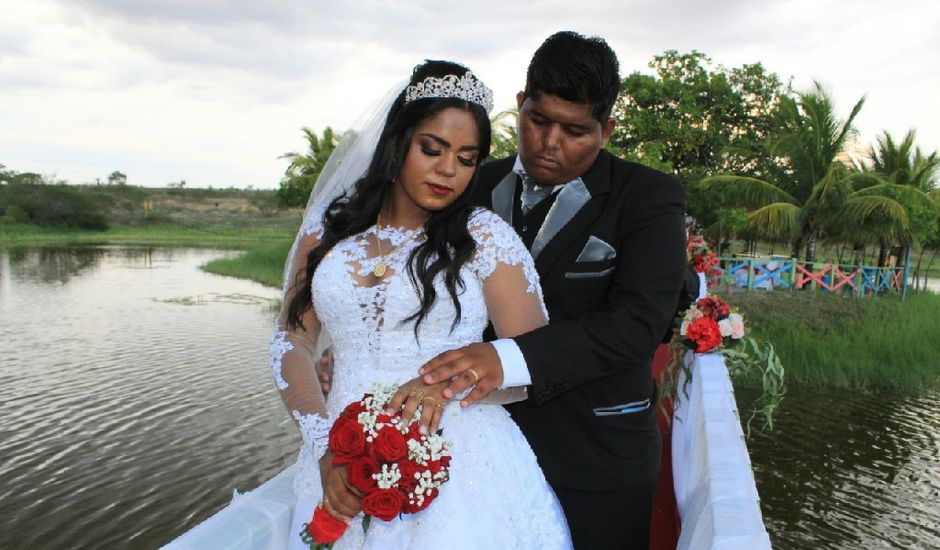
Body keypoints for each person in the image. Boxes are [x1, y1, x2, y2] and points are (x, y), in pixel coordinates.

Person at [270, 60, 571, 549]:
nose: (448, 169)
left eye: (467, 157)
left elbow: (536, 362)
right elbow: (293, 338)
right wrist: (323, 443)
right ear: (398, 142)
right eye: (432, 149)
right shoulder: (327, 232)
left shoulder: (486, 239)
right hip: (337, 462)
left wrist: (449, 386)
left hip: (462, 466)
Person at [416, 32, 687, 549]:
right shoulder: (468, 185)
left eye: (575, 130)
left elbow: (636, 326)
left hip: (597, 457)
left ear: (606, 129)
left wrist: (508, 358)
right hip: (478, 448)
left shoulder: (648, 197)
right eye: (538, 121)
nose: (549, 143)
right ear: (521, 105)